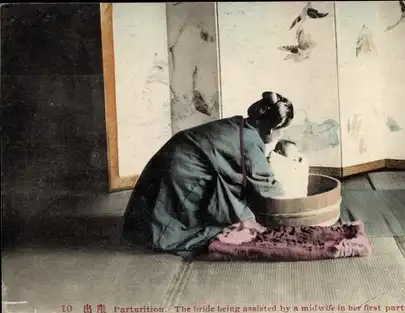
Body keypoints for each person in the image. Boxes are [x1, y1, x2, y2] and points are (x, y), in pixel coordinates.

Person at [121, 91, 295, 258]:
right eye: (282, 131)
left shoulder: (239, 123)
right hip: (181, 170)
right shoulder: (250, 143)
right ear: (272, 129)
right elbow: (268, 189)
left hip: (172, 156)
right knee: (239, 224)